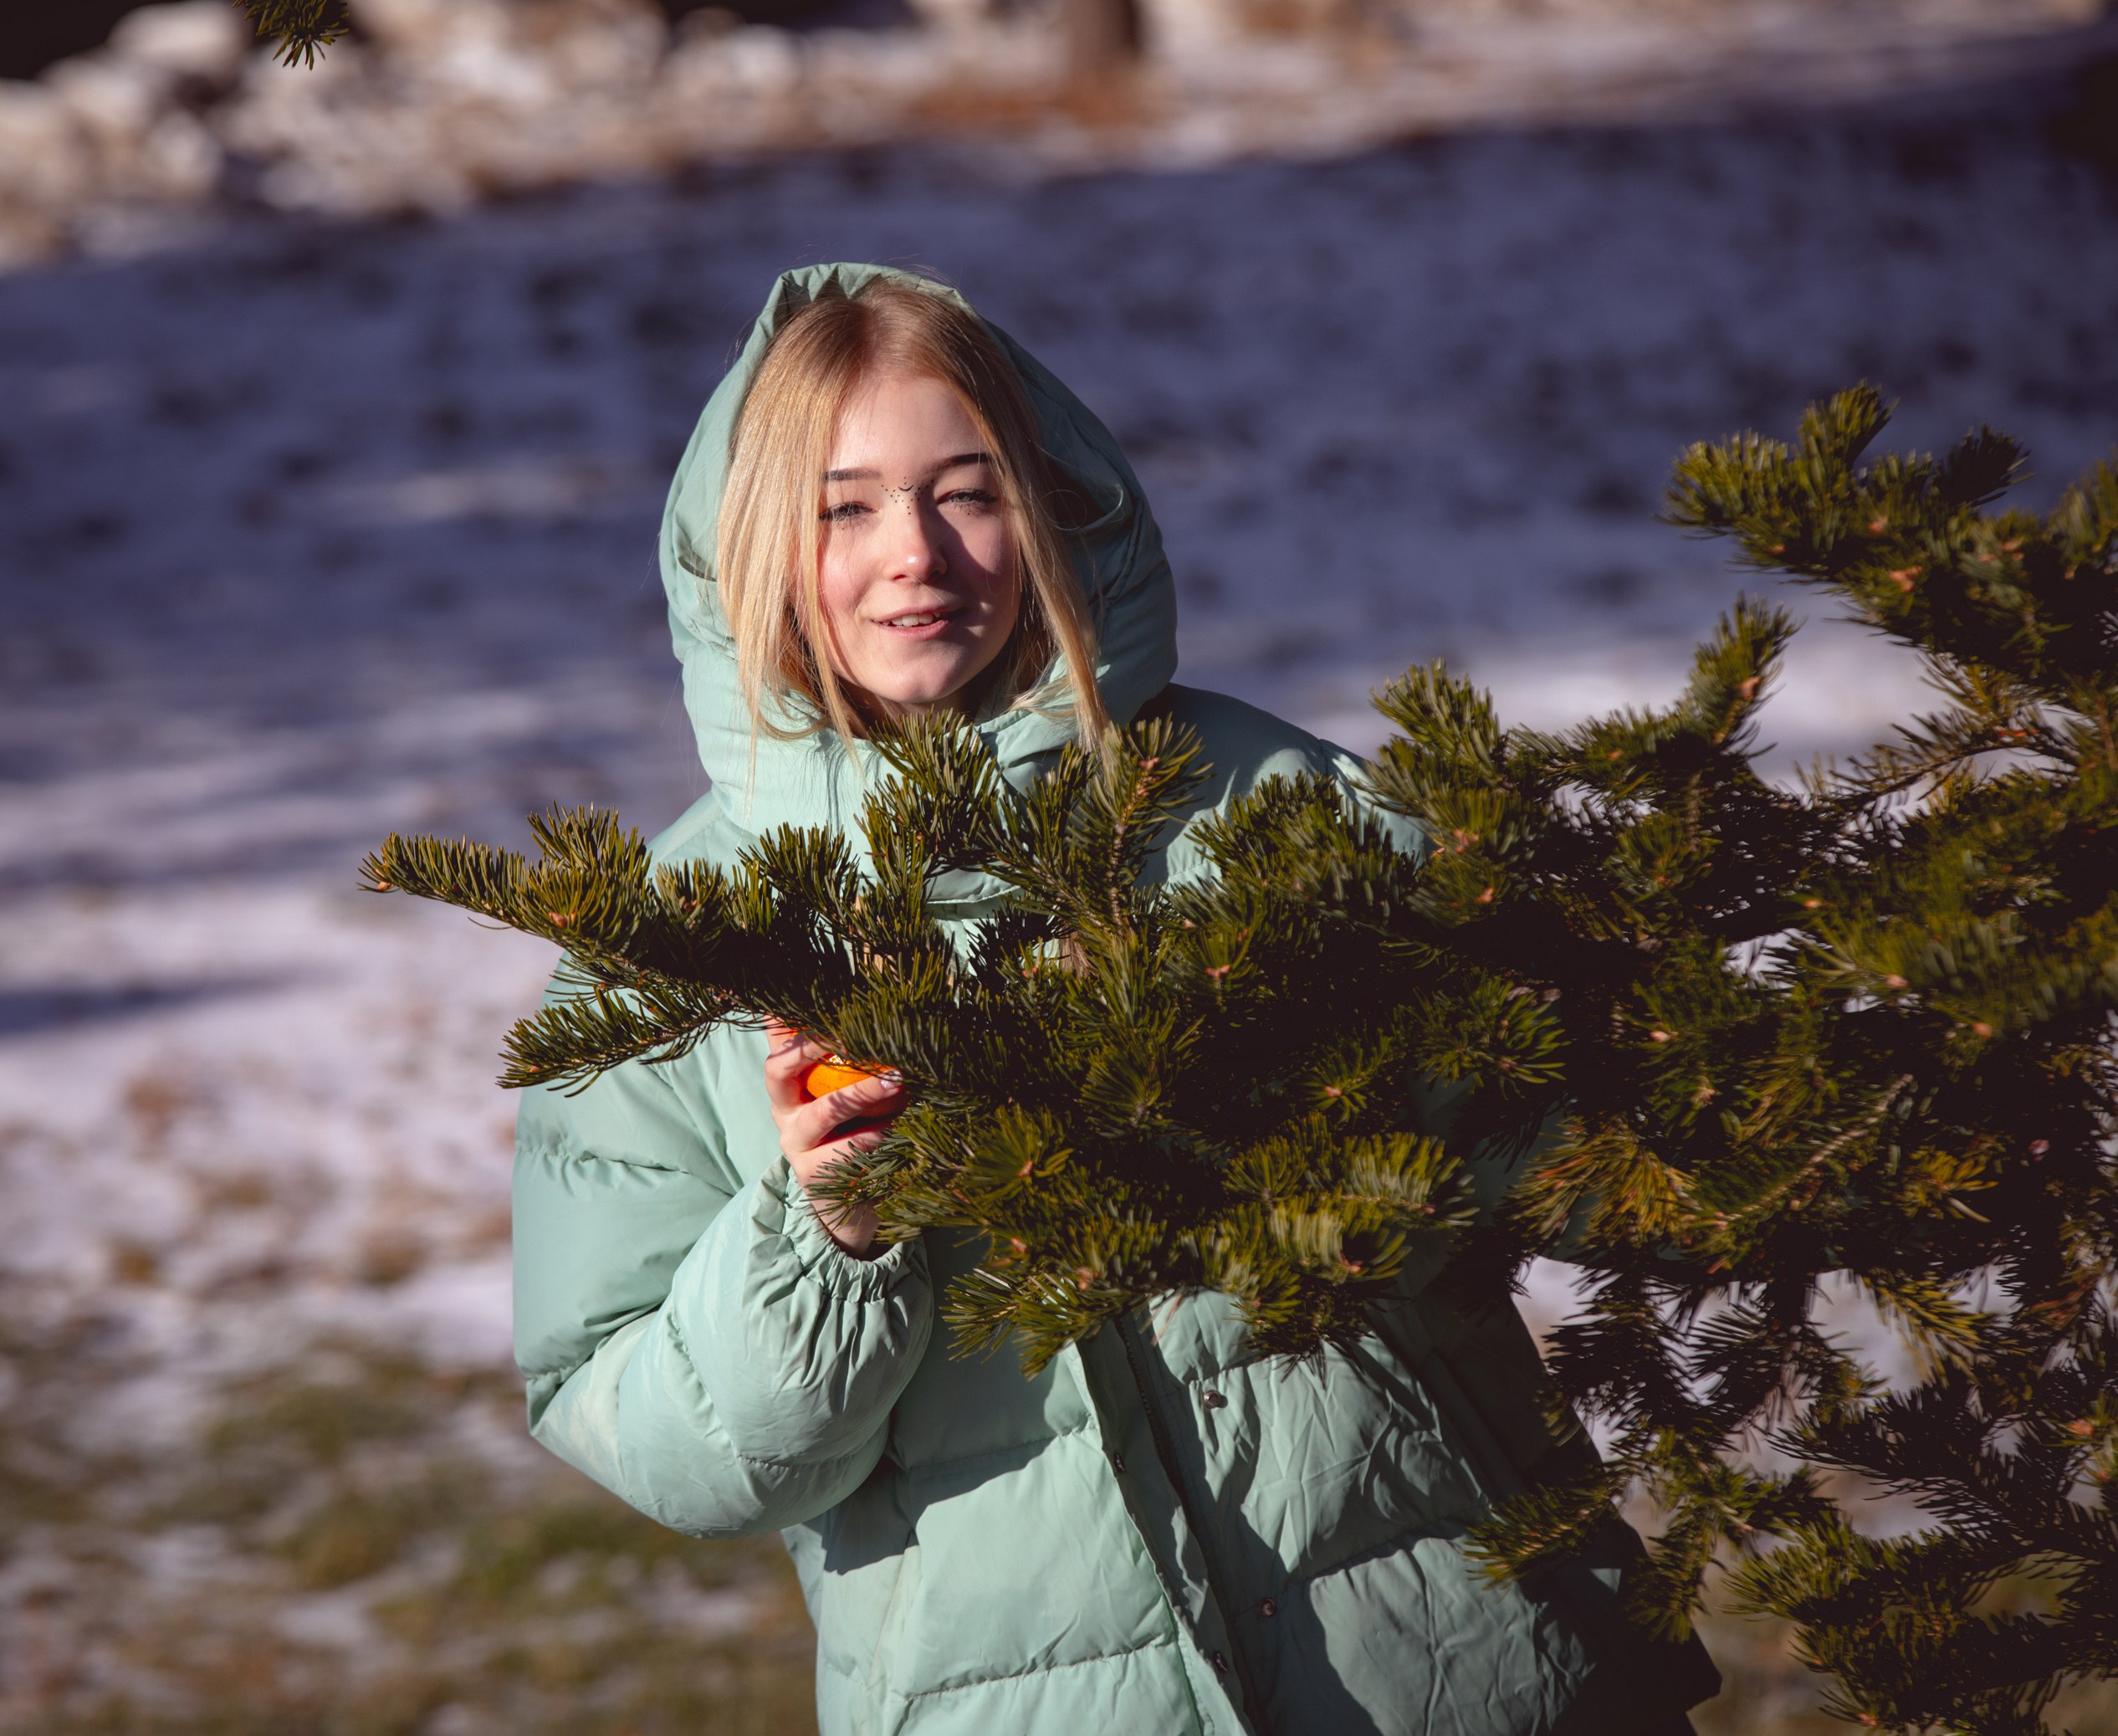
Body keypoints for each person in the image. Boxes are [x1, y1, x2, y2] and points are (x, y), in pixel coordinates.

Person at [512, 263, 1720, 1736]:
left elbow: (1569, 1150)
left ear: (1052, 509)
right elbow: (671, 1441)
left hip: (1448, 1663)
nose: (916, 554)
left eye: (966, 492)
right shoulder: (684, 951)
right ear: (759, 547)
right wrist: (826, 1235)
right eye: (845, 507)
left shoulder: (1266, 805)